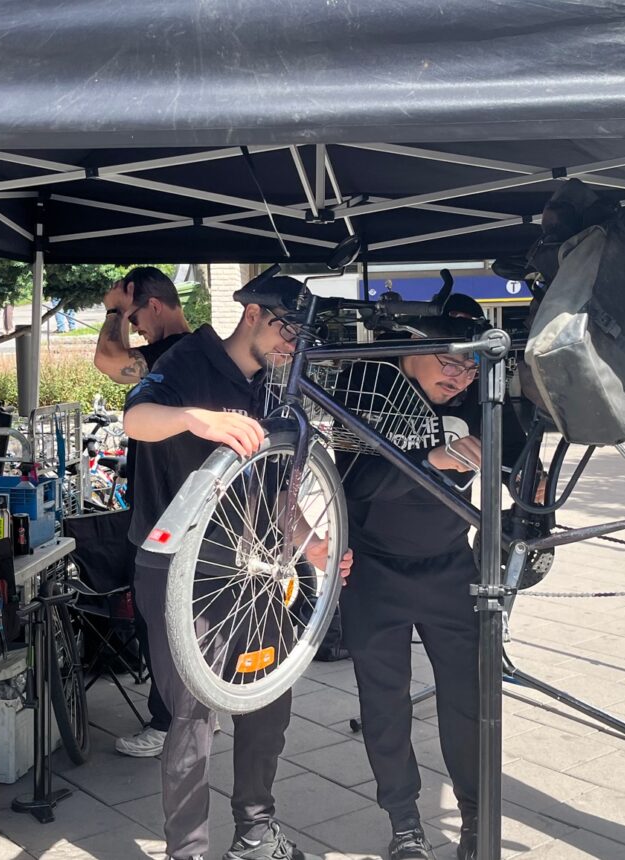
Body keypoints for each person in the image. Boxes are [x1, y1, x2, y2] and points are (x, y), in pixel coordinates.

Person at [123, 274, 351, 860]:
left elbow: (277, 492)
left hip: (255, 572)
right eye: (285, 330)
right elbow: (136, 419)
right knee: (192, 719)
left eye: (300, 338)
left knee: (268, 703)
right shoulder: (186, 359)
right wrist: (196, 418)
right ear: (252, 313)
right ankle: (188, 851)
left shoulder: (279, 388)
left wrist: (311, 547)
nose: (290, 346)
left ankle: (254, 832)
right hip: (178, 571)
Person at [336, 298, 531, 860]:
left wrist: (532, 491)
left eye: (469, 365)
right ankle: (404, 824)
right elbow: (352, 484)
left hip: (452, 567)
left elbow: (521, 463)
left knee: (468, 699)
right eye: (448, 359)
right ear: (410, 349)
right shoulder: (365, 388)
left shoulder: (482, 397)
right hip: (373, 569)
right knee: (384, 704)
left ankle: (474, 816)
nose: (459, 374)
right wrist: (430, 460)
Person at [95, 266, 195, 758]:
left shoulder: (170, 356)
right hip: (178, 508)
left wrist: (113, 307)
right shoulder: (197, 356)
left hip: (166, 512)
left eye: (135, 316)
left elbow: (106, 359)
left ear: (154, 304)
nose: (132, 327)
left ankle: (167, 722)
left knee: (159, 623)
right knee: (180, 622)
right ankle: (191, 712)